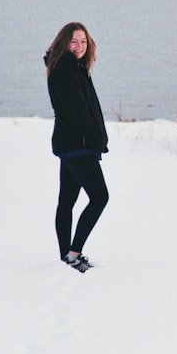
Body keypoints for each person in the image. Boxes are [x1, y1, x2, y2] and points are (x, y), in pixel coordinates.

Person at [45, 22, 110, 273]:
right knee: (100, 197)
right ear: (64, 43)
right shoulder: (65, 70)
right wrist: (93, 136)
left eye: (83, 41)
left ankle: (66, 255)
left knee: (67, 200)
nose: (79, 46)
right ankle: (74, 252)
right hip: (78, 144)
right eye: (73, 41)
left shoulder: (74, 67)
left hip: (71, 143)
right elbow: (77, 111)